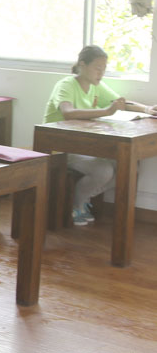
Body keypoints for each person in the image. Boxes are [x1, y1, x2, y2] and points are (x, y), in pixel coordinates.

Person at [43, 45, 157, 225]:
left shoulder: (96, 86)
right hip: (60, 146)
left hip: (84, 145)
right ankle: (77, 204)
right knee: (103, 170)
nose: (101, 73)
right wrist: (106, 111)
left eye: (104, 69)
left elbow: (120, 103)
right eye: (97, 68)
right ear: (82, 65)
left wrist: (146, 109)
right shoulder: (66, 85)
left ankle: (80, 198)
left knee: (128, 168)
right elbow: (68, 113)